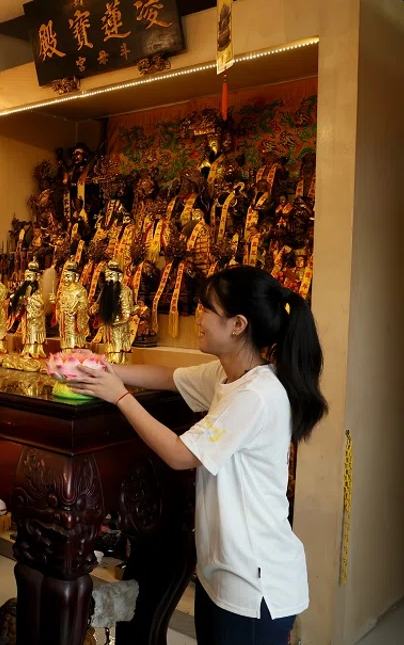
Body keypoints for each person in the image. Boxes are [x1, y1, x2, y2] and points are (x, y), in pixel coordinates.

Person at [64, 266, 326, 645]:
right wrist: (101, 369)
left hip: (254, 585)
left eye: (206, 309)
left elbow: (179, 454)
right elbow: (168, 377)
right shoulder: (228, 376)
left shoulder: (255, 395)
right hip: (221, 572)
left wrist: (118, 395)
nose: (197, 317)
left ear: (237, 325)